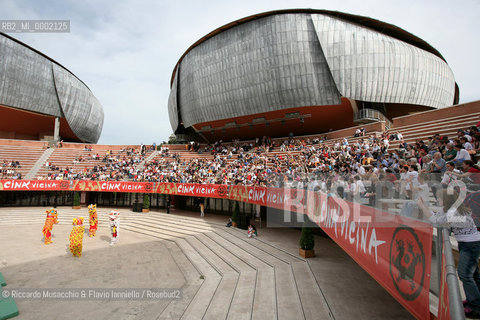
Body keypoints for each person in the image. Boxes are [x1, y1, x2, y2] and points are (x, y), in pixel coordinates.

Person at [418, 191, 480, 318]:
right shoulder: (453, 210)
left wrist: (422, 207)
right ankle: (474, 300)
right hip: (468, 244)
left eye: (439, 198)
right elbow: (437, 216)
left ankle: (476, 307)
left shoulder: (454, 212)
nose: (437, 200)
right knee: (473, 275)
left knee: (465, 275)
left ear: (446, 199)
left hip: (471, 245)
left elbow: (436, 221)